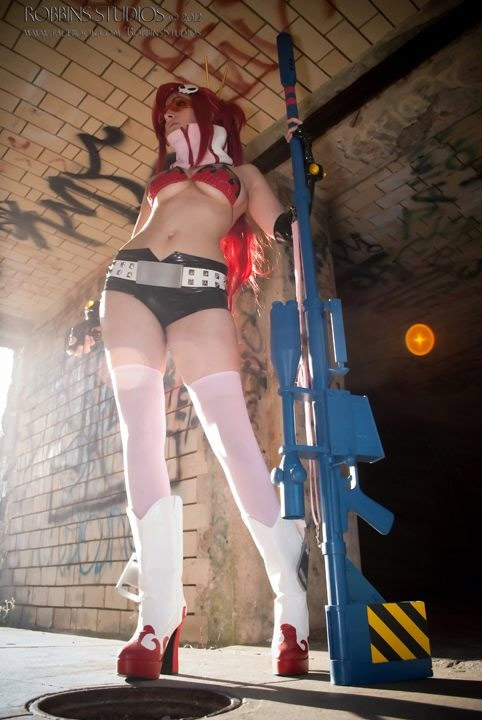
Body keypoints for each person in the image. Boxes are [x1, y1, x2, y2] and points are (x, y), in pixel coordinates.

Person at [69, 82, 308, 679]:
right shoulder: (160, 179)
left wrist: (302, 183)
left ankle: (291, 607)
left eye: (179, 110)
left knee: (235, 444)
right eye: (165, 116)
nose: (170, 120)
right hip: (128, 286)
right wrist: (89, 314)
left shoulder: (242, 175)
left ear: (208, 113)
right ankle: (156, 614)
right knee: (140, 439)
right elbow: (139, 231)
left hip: (200, 291)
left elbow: (282, 224)